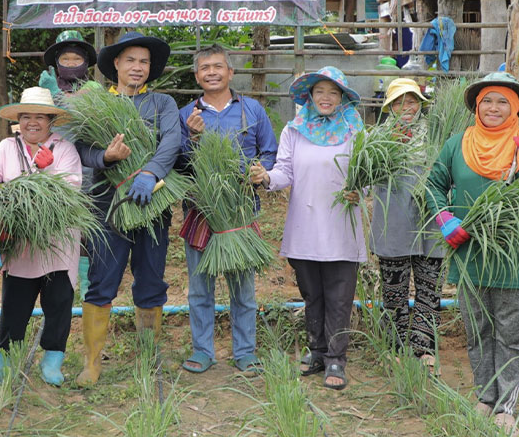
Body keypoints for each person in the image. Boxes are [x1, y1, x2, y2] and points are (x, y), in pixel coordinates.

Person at [423, 72, 519, 436]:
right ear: (477, 106)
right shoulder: (456, 144)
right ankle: (485, 396)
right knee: (477, 330)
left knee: (510, 335)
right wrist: (445, 218)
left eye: (502, 102)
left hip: (514, 255)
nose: (494, 108)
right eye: (487, 101)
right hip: (469, 252)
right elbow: (433, 184)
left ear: (517, 108)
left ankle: (506, 407)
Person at [248, 66, 367, 391]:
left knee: (340, 296)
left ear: (342, 97)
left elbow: (367, 174)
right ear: (310, 97)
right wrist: (267, 177)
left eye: (333, 92)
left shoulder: (355, 129)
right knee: (311, 293)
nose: (326, 98)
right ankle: (316, 352)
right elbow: (285, 170)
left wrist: (361, 191)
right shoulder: (295, 130)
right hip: (304, 224)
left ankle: (335, 359)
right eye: (320, 92)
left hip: (341, 225)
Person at [74, 31, 180, 386]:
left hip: (154, 205)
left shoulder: (162, 103)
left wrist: (149, 173)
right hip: (108, 206)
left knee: (151, 280)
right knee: (102, 281)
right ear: (116, 64)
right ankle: (91, 362)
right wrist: (106, 157)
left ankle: (148, 356)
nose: (137, 67)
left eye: (144, 62)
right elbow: (82, 149)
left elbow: (173, 141)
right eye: (130, 60)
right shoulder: (98, 103)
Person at [177, 44, 277, 375]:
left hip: (240, 212)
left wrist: (261, 171)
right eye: (205, 68)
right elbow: (177, 163)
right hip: (201, 211)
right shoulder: (186, 115)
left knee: (243, 290)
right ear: (197, 76)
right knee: (200, 287)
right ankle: (203, 350)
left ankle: (245, 351)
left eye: (218, 66)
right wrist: (192, 138)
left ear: (230, 72)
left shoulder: (252, 110)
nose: (212, 72)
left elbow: (270, 151)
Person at [0, 87, 82, 388]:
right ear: (18, 121)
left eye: (40, 117)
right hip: (20, 245)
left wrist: (46, 173)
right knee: (14, 305)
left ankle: (53, 359)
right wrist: (14, 192)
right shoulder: (6, 149)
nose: (32, 123)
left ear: (51, 121)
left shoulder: (64, 149)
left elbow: (71, 188)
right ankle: (3, 363)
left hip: (57, 243)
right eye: (26, 117)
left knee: (59, 302)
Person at [370, 78, 445, 370]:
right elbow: (363, 177)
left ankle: (424, 348)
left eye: (412, 101)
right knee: (393, 290)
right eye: (399, 102)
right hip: (393, 222)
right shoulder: (377, 138)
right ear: (389, 107)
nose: (407, 107)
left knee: (429, 288)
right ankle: (396, 346)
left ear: (420, 104)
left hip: (430, 221)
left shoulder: (436, 135)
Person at [37, 29, 97, 298]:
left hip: (87, 168)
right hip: (52, 165)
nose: (71, 64)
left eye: (76, 59)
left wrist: (56, 98)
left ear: (85, 62)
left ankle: (86, 287)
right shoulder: (44, 87)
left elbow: (84, 115)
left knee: (85, 229)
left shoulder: (94, 90)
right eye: (66, 59)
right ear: (56, 63)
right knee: (55, 227)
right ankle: (56, 285)